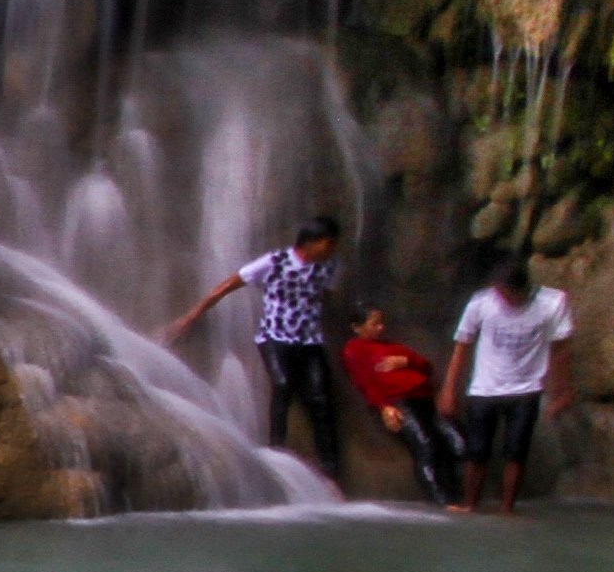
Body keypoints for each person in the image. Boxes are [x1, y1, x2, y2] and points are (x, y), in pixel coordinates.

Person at [167, 212, 348, 472]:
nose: (332, 249)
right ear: (311, 242)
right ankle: (277, 457)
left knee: (320, 399)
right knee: (283, 385)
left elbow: (325, 295)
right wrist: (191, 317)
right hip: (274, 337)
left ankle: (331, 470)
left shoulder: (331, 266)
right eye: (328, 244)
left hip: (309, 340)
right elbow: (227, 285)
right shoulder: (274, 262)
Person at [445, 246, 579, 515]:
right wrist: (449, 390)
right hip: (484, 387)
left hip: (526, 389)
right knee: (477, 451)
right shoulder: (481, 302)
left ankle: (508, 508)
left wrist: (562, 390)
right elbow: (462, 345)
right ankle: (469, 504)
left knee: (516, 452)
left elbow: (561, 349)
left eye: (511, 294)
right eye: (502, 293)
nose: (506, 299)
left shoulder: (551, 303)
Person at [338, 306, 463, 504]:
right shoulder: (354, 349)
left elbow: (426, 366)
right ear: (357, 327)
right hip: (399, 402)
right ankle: (442, 501)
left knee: (457, 443)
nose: (381, 328)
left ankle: (460, 496)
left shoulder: (392, 346)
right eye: (374, 324)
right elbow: (364, 382)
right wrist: (384, 407)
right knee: (425, 445)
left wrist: (405, 361)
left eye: (382, 323)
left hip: (425, 399)